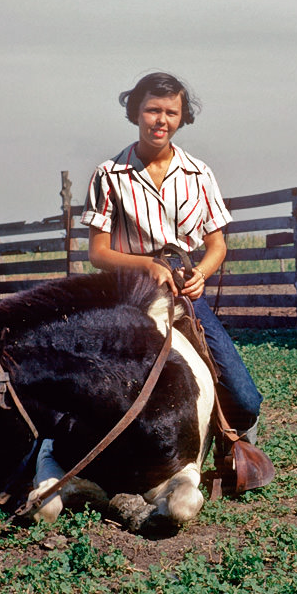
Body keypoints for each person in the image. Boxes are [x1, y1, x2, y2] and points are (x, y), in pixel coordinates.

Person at [81, 72, 262, 443]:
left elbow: (217, 245)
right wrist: (146, 265)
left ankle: (235, 441)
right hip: (128, 289)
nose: (161, 120)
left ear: (182, 119)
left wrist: (202, 274)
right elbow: (97, 251)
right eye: (152, 110)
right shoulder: (110, 175)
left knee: (244, 397)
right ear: (136, 113)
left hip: (183, 288)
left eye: (171, 112)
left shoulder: (199, 173)